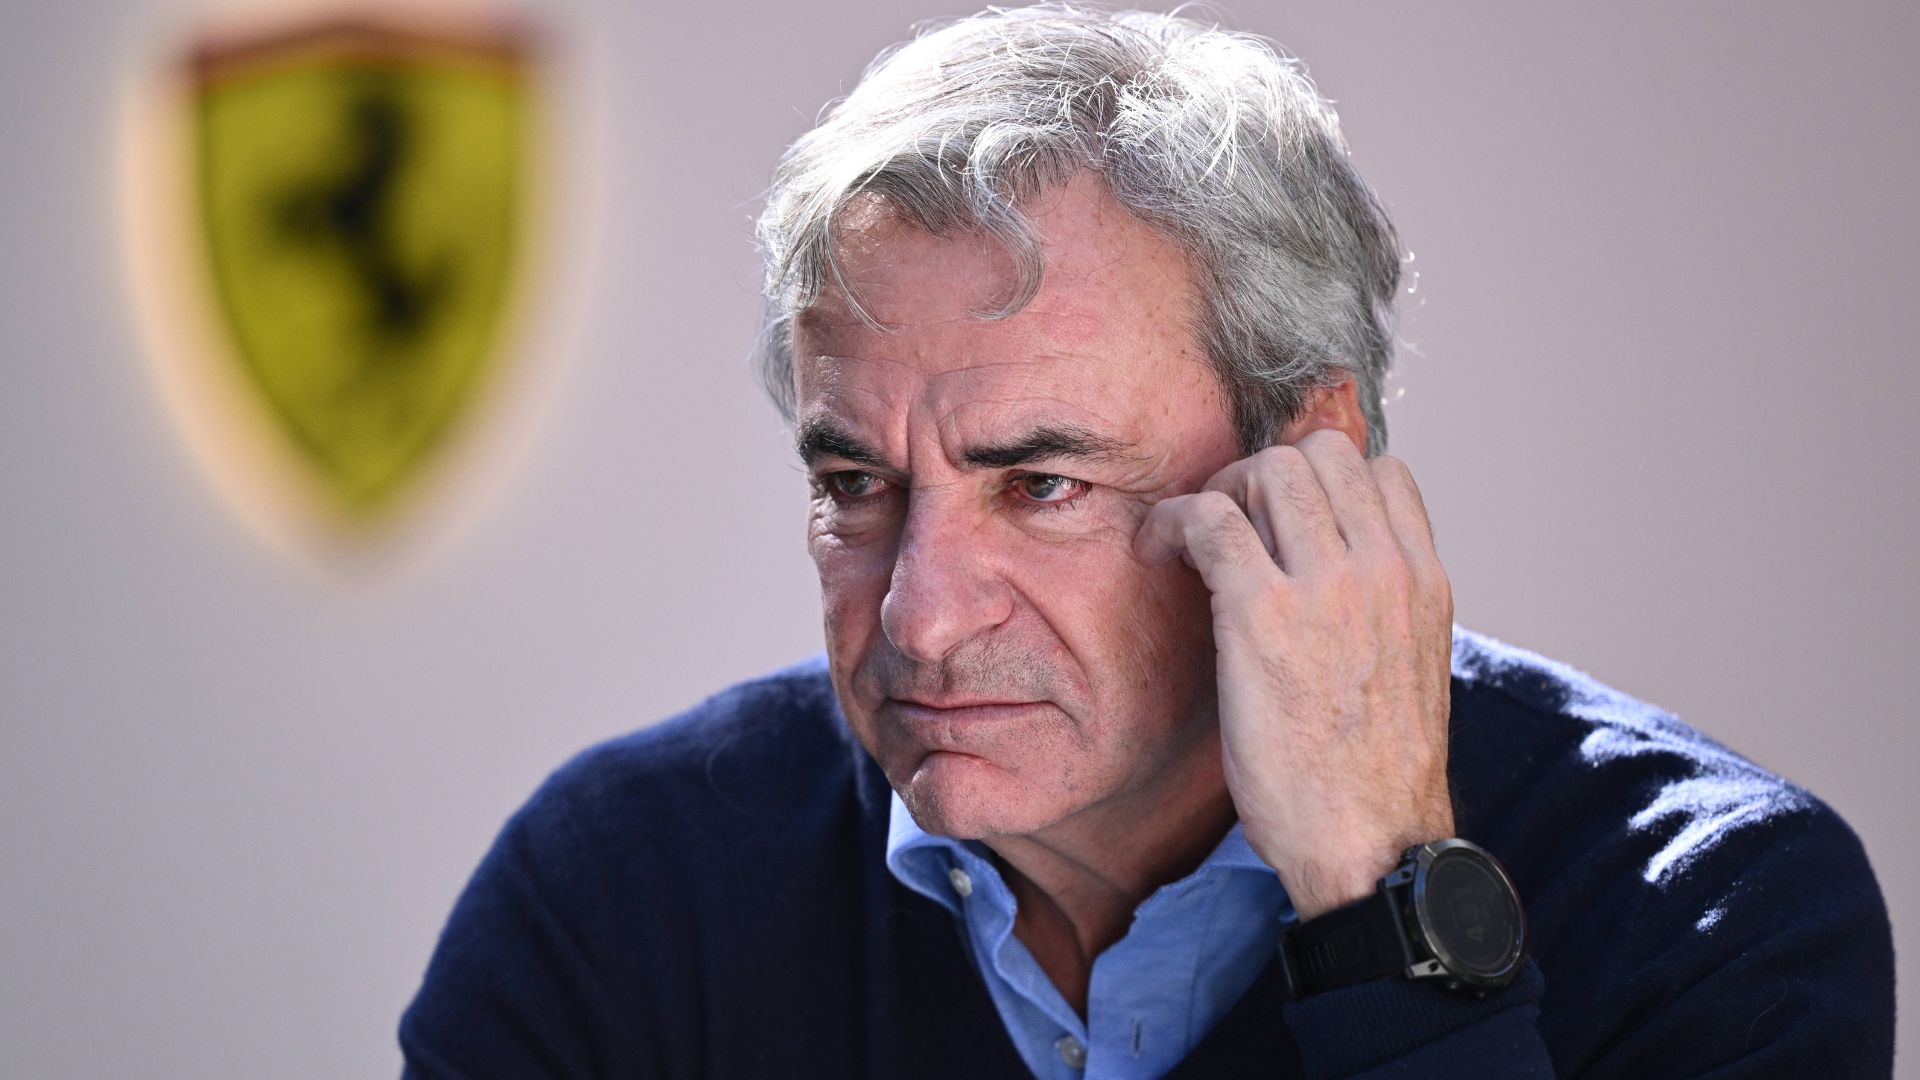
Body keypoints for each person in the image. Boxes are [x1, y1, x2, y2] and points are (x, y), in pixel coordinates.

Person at [399, 6, 1895, 1077]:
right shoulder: (623, 893)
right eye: (856, 484)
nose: (916, 621)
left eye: (1041, 485)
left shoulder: (1712, 909)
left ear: (1304, 463)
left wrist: (1389, 908)